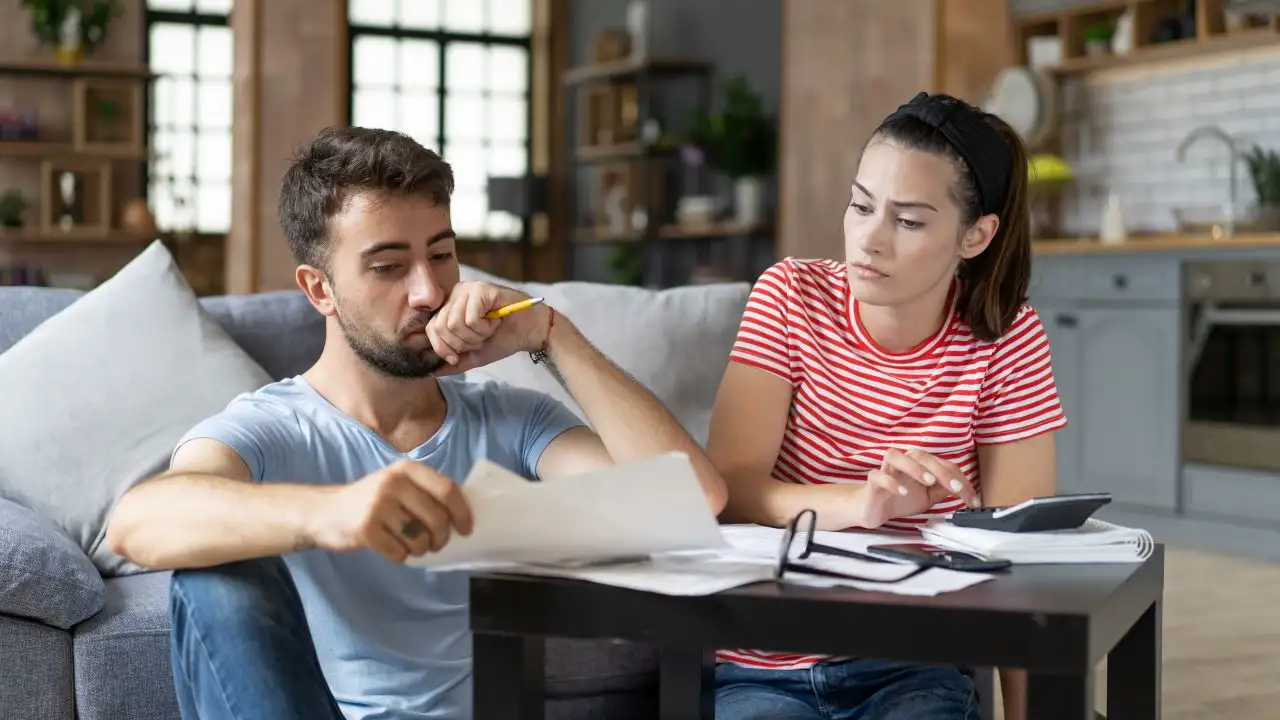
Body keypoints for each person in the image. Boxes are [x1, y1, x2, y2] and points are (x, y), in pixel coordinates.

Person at [104, 126, 728, 720]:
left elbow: (693, 498)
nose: (429, 290)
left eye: (442, 255)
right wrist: (334, 513)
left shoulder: (512, 418)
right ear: (318, 290)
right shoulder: (275, 427)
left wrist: (551, 332)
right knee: (217, 579)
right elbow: (137, 523)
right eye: (388, 266)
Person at [705, 91, 1067, 720]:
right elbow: (730, 490)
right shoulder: (790, 296)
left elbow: (1019, 556)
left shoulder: (1008, 338)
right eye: (861, 205)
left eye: (908, 221)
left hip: (916, 659)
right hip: (766, 660)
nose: (869, 240)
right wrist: (861, 505)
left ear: (976, 236)